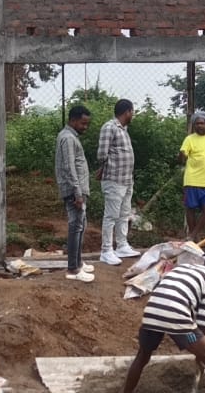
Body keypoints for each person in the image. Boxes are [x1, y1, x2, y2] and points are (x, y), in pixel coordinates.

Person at [119, 247, 205, 393]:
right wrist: (202, 354)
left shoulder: (182, 268)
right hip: (176, 315)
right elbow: (203, 323)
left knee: (142, 356)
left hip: (151, 313)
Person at [98, 99, 142, 266]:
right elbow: (101, 154)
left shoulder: (124, 129)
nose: (133, 115)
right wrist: (107, 167)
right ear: (127, 112)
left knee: (124, 214)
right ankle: (106, 251)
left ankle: (122, 245)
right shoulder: (109, 127)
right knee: (111, 216)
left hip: (126, 180)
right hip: (114, 179)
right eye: (132, 112)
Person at [55, 105, 96, 282]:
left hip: (76, 190)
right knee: (76, 227)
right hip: (74, 191)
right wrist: (77, 193)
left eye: (87, 124)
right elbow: (69, 167)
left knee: (80, 225)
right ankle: (73, 269)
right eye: (83, 123)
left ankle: (78, 262)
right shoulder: (68, 138)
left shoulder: (70, 137)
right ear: (73, 120)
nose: (85, 127)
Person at [179, 109, 205, 240]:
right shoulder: (189, 139)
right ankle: (193, 237)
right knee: (190, 208)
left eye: (202, 123)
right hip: (192, 180)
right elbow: (182, 157)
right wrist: (181, 155)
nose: (200, 126)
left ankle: (193, 234)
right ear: (194, 125)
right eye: (197, 123)